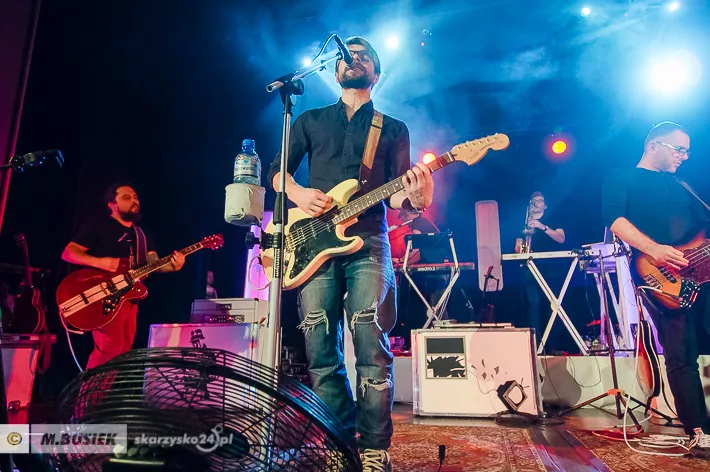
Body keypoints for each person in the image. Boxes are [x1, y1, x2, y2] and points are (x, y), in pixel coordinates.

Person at [266, 36, 434, 471]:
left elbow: (397, 196)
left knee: (369, 343)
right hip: (311, 243)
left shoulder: (392, 128)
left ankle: (375, 447)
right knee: (320, 349)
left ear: (376, 73)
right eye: (347, 55)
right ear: (335, 69)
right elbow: (277, 173)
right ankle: (340, 441)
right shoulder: (309, 119)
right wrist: (299, 193)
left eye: (363, 56)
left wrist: (418, 196)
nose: (352, 58)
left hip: (369, 240)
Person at [602, 121, 710, 457]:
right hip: (659, 276)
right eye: (679, 149)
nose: (684, 156)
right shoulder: (621, 177)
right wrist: (654, 249)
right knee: (681, 355)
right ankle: (699, 432)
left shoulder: (683, 185)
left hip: (702, 273)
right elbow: (615, 220)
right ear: (654, 146)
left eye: (687, 151)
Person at [61, 183, 185, 369]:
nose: (134, 201)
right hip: (104, 296)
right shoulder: (98, 226)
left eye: (135, 197)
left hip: (129, 299)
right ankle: (91, 389)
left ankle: (106, 388)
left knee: (122, 351)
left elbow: (153, 264)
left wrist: (173, 266)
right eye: (127, 197)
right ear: (112, 205)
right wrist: (102, 262)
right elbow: (69, 253)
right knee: (109, 349)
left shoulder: (142, 235)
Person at [515, 192, 566, 343]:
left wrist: (542, 227)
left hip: (551, 268)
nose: (536, 202)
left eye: (539, 200)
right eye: (533, 200)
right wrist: (522, 248)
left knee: (552, 305)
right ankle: (536, 344)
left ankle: (554, 344)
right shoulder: (524, 221)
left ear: (545, 205)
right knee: (533, 305)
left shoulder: (553, 218)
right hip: (531, 267)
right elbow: (517, 246)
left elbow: (561, 238)